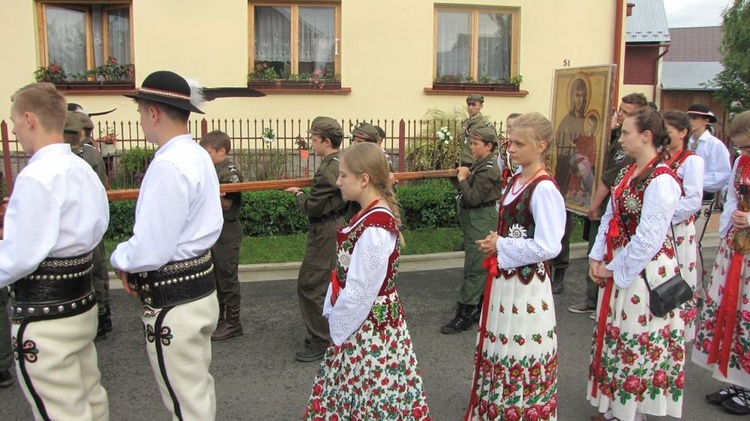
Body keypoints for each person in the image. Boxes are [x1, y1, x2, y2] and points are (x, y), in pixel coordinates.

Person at [110, 70, 223, 420]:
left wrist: (121, 257)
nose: (141, 120)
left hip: (175, 303)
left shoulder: (169, 164)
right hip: (199, 291)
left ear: (154, 113)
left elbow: (151, 248)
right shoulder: (198, 154)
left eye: (141, 112)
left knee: (185, 405)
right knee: (197, 394)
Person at [0, 82, 109, 420]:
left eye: (15, 120)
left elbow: (18, 257)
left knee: (61, 412)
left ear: (30, 119)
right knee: (90, 399)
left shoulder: (36, 176)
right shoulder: (80, 168)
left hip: (45, 316)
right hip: (81, 304)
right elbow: (97, 227)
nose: (15, 128)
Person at [303, 142, 431, 420]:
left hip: (370, 324)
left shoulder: (375, 226)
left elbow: (362, 290)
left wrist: (337, 326)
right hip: (366, 320)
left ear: (364, 179)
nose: (338, 182)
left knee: (372, 385)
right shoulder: (368, 214)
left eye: (343, 175)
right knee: (359, 385)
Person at [588, 107, 684, 421]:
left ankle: (633, 411)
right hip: (624, 264)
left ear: (646, 136)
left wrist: (613, 268)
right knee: (619, 338)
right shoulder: (629, 172)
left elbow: (649, 238)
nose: (622, 137)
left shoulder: (662, 179)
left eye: (626, 132)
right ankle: (619, 407)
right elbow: (610, 215)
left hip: (646, 274)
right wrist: (596, 255)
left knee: (636, 339)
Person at [468, 112, 565, 420]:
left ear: (541, 145)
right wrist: (499, 240)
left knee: (521, 349)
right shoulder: (516, 180)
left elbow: (550, 246)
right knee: (502, 346)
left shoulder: (544, 188)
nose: (510, 148)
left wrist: (502, 245)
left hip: (526, 289)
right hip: (505, 281)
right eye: (510, 142)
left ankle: (522, 411)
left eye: (519, 143)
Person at [568, 93, 648, 316]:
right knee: (597, 248)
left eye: (627, 112)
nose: (620, 114)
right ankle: (594, 298)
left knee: (607, 250)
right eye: (620, 110)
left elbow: (610, 177)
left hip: (612, 205)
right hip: (609, 203)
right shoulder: (614, 136)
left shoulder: (634, 153)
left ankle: (599, 298)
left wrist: (593, 205)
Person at [693, 110, 750, 416]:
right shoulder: (741, 162)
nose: (743, 154)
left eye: (748, 148)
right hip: (738, 247)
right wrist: (729, 228)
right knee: (732, 310)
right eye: (740, 148)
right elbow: (730, 199)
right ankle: (734, 379)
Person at [284, 117, 348, 362]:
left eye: (314, 139)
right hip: (335, 225)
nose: (311, 143)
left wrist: (299, 194)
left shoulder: (327, 168)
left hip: (325, 231)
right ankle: (327, 334)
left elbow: (313, 206)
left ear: (326, 141)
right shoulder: (341, 161)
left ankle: (321, 340)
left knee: (311, 285)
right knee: (328, 283)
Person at [441, 125, 502, 334]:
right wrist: (457, 177)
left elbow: (473, 197)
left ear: (488, 146)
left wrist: (462, 179)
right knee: (478, 265)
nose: (472, 147)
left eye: (476, 144)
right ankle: (480, 307)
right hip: (476, 220)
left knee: (475, 268)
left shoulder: (488, 168)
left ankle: (465, 314)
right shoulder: (480, 164)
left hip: (481, 220)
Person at [68, 111, 113, 340]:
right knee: (98, 266)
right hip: (93, 218)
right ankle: (103, 313)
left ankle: (100, 314)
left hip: (85, 219)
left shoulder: (84, 155)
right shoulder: (92, 152)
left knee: (92, 267)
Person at [663, 110, 704, 343]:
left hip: (677, 227)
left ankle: (679, 326)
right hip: (662, 227)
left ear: (683, 132)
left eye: (668, 132)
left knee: (678, 272)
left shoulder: (691, 161)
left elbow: (693, 200)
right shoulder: (662, 158)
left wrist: (665, 216)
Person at [200, 130, 245, 341]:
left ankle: (233, 322)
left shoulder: (229, 172)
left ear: (222, 151)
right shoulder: (209, 168)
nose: (204, 156)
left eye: (208, 152)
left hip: (226, 230)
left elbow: (227, 203)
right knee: (213, 276)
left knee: (226, 275)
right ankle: (218, 318)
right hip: (211, 228)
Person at [686, 104, 731, 300]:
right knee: (685, 241)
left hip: (703, 198)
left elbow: (722, 175)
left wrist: (696, 182)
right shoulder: (687, 142)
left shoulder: (714, 145)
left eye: (697, 117)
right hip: (685, 196)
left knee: (693, 242)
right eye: (690, 117)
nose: (692, 120)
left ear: (706, 121)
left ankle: (697, 289)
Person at [455, 94, 492, 252]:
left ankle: (474, 238)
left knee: (473, 202)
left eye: (474, 104)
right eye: (469, 104)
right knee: (462, 202)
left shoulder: (485, 124)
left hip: (476, 166)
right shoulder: (465, 123)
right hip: (465, 164)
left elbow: (492, 148)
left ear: (481, 106)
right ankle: (466, 237)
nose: (471, 107)